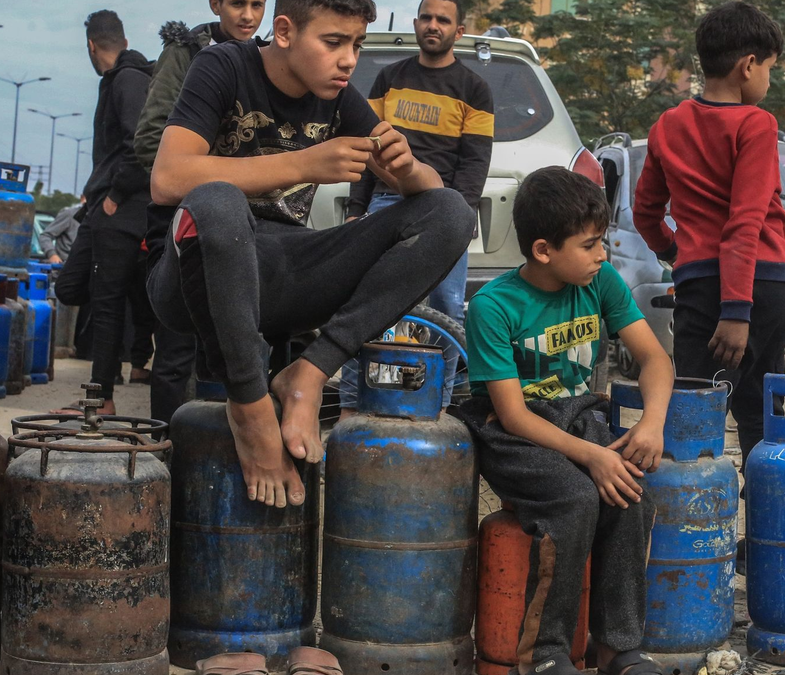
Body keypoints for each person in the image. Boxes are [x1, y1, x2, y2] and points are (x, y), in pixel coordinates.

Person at [148, 0, 471, 509]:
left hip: (283, 269)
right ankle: (250, 409)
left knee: (451, 212)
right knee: (217, 201)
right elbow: (168, 178)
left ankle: (309, 375)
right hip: (195, 275)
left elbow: (430, 194)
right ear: (284, 32)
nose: (348, 60)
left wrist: (407, 168)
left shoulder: (339, 97)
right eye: (333, 42)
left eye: (357, 45)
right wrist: (302, 163)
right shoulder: (224, 65)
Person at [456, 166, 673, 675]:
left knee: (631, 496)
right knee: (576, 501)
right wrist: (593, 457)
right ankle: (545, 654)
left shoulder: (600, 283)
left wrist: (651, 424)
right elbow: (512, 414)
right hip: (513, 433)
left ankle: (618, 649)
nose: (603, 255)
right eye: (590, 245)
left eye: (603, 242)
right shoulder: (492, 306)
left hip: (578, 417)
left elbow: (655, 359)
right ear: (543, 250)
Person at [632, 1, 785, 465]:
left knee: (692, 412)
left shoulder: (668, 126)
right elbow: (745, 221)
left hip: (701, 284)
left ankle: (694, 510)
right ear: (748, 66)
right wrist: (737, 311)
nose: (768, 80)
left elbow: (645, 212)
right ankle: (765, 510)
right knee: (761, 413)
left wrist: (675, 251)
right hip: (762, 285)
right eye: (770, 69)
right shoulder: (756, 123)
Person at [340, 0, 493, 415]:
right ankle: (352, 404)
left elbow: (475, 162)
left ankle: (439, 408)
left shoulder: (474, 88)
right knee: (365, 301)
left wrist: (460, 214)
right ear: (416, 23)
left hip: (445, 206)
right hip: (387, 201)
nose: (433, 25)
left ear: (458, 32)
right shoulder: (390, 78)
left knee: (446, 310)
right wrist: (356, 208)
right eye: (426, 17)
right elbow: (369, 150)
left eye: (443, 20)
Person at [134, 0, 267, 423]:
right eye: (237, 3)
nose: (248, 15)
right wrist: (208, 172)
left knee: (240, 347)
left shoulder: (267, 58)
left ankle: (227, 446)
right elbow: (150, 137)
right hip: (186, 214)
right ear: (215, 3)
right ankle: (164, 447)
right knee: (176, 348)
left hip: (248, 221)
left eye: (258, 4)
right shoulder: (186, 53)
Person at [59, 10, 155, 412]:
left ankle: (101, 399)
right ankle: (106, 387)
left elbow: (142, 143)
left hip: (121, 208)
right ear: (124, 40)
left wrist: (116, 194)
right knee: (72, 288)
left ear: (91, 46)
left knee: (106, 302)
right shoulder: (124, 79)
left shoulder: (128, 80)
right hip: (106, 208)